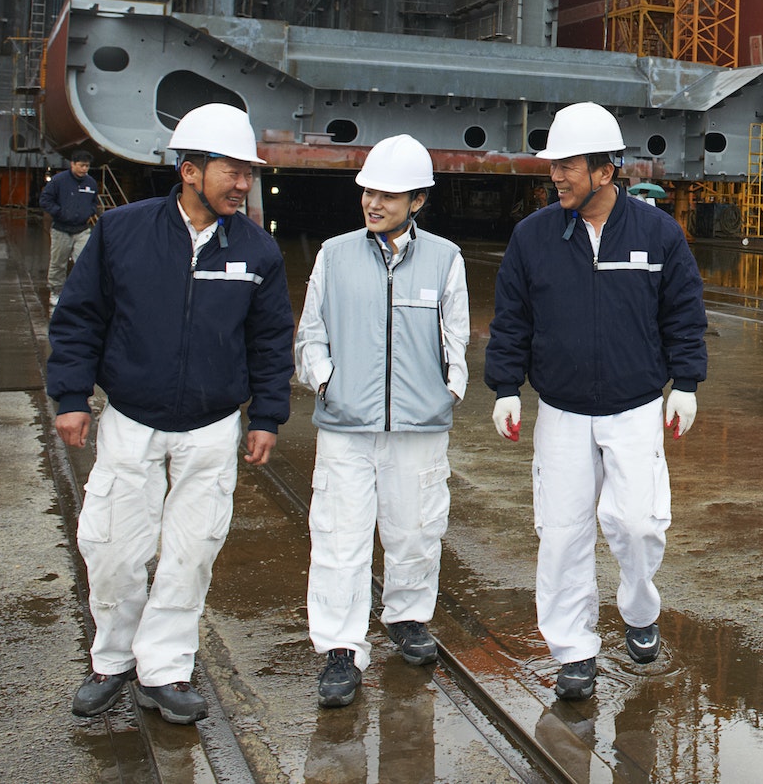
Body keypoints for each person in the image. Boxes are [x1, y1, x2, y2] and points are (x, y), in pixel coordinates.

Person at [46, 103, 294, 725]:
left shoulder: (258, 252)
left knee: (192, 550)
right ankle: (111, 660)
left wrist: (267, 413)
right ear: (189, 170)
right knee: (111, 547)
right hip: (131, 420)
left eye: (248, 172)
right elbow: (80, 318)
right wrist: (72, 397)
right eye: (231, 170)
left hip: (212, 428)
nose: (243, 183)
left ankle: (166, 668)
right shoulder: (121, 232)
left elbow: (269, 341)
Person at [484, 101, 705, 702]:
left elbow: (683, 314)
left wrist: (685, 382)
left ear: (606, 170)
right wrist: (505, 385)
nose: (556, 175)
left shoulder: (658, 234)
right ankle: (574, 650)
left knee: (637, 525)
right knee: (561, 532)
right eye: (554, 163)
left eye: (569, 164)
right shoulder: (533, 238)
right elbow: (512, 320)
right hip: (560, 411)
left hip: (634, 408)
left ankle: (638, 611)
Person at [295, 135, 470, 709]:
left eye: (388, 195)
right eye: (368, 190)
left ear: (417, 201)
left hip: (419, 427)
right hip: (347, 426)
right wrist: (326, 381)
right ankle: (341, 649)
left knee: (416, 530)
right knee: (340, 539)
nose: (373, 202)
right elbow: (311, 331)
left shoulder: (444, 258)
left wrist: (448, 389)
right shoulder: (334, 254)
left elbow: (456, 335)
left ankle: (408, 619)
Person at [41, 149, 101, 305]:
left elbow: (94, 202)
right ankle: (56, 291)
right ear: (72, 164)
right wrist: (59, 213)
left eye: (87, 166)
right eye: (81, 165)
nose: (84, 169)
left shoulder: (91, 183)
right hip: (61, 229)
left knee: (86, 261)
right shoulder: (58, 181)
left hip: (82, 229)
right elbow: (45, 200)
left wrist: (90, 212)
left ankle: (83, 293)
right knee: (58, 262)